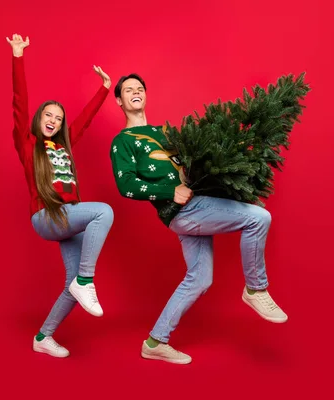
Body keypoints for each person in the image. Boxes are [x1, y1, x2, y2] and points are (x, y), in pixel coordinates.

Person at [109, 73, 288, 365]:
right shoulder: (123, 142)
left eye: (140, 88)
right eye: (128, 90)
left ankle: (155, 342)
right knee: (258, 218)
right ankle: (256, 289)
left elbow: (193, 159)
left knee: (199, 280)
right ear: (119, 100)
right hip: (183, 210)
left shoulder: (164, 131)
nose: (135, 92)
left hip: (195, 202)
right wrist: (170, 190)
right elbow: (126, 185)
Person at [7, 33, 113, 358]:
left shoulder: (64, 145)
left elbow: (83, 121)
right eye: (48, 115)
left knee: (72, 285)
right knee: (103, 212)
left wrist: (105, 89)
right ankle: (86, 280)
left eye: (59, 118)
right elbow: (19, 103)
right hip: (46, 216)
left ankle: (44, 336)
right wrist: (18, 56)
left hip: (67, 217)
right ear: (39, 119)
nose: (53, 120)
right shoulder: (28, 144)